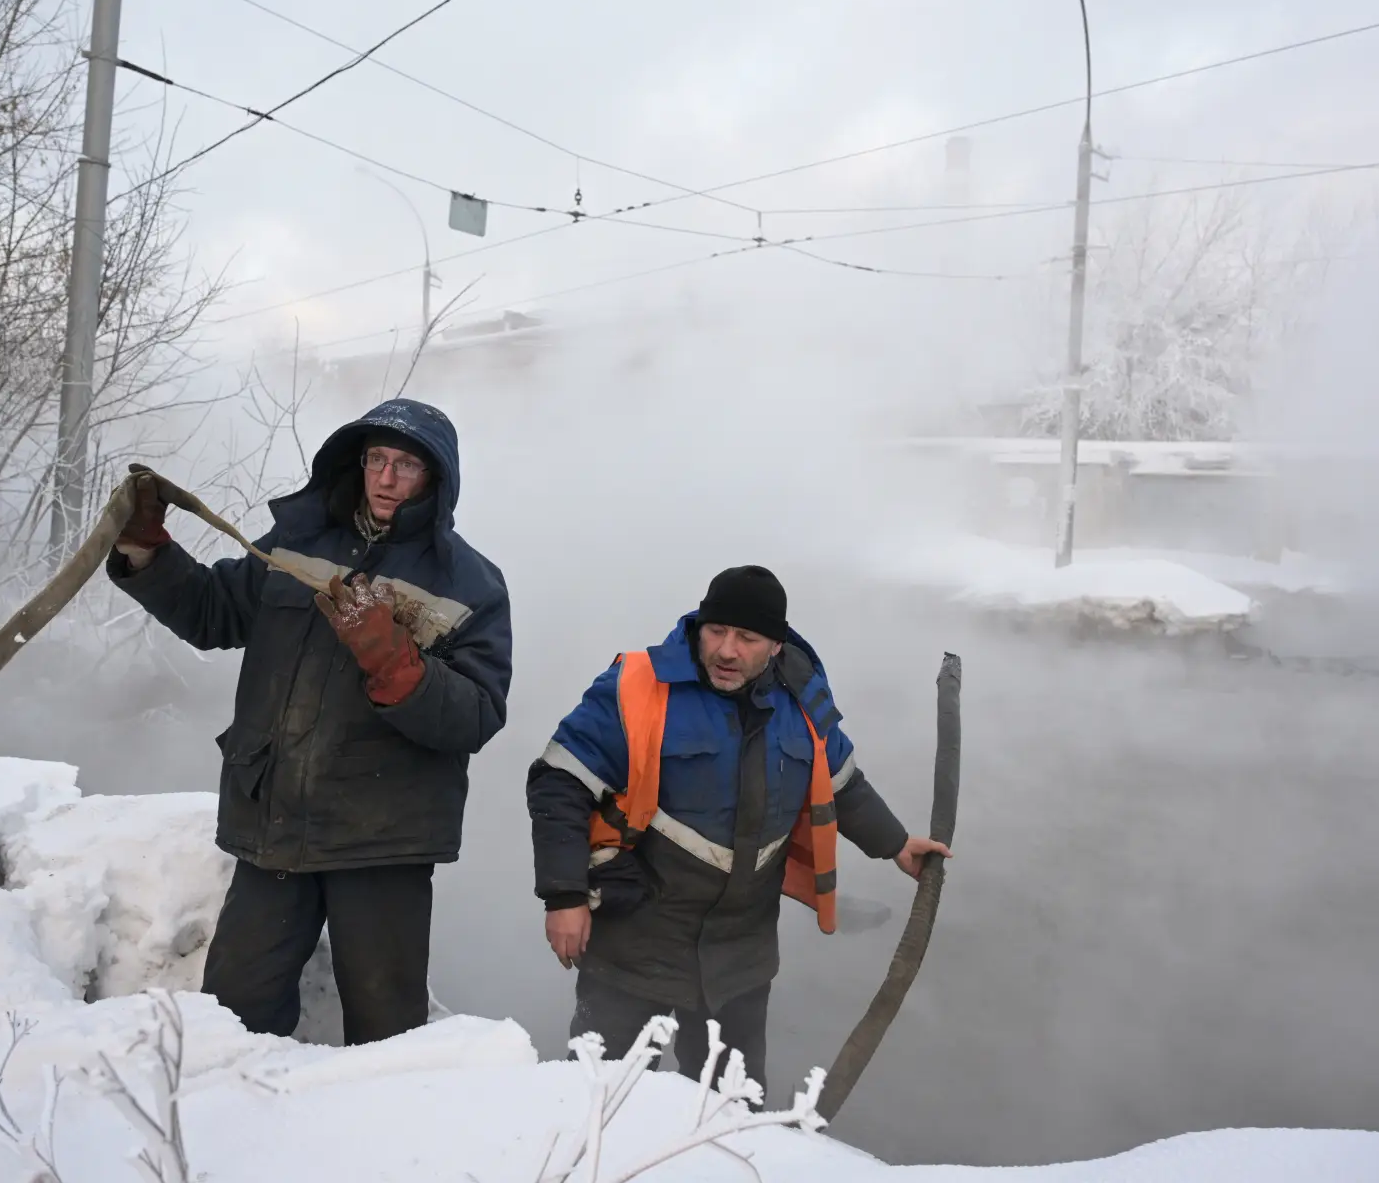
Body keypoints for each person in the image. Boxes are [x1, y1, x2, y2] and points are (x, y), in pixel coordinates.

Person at [111, 398, 510, 1045]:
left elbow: (475, 716)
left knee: (388, 1042)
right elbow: (214, 613)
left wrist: (392, 659)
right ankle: (229, 1140)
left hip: (384, 841)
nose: (386, 477)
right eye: (377, 460)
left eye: (405, 465)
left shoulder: (470, 583)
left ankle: (382, 1146)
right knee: (232, 1024)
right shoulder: (297, 545)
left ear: (435, 479)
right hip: (274, 824)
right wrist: (146, 551)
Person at [525, 565, 946, 1087]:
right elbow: (559, 781)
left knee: (730, 1114)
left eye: (747, 637)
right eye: (717, 631)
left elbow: (841, 781)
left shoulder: (804, 700)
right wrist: (564, 898)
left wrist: (897, 844)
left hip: (740, 956)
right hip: (634, 940)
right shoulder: (638, 687)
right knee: (602, 1100)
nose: (727, 650)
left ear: (775, 645)